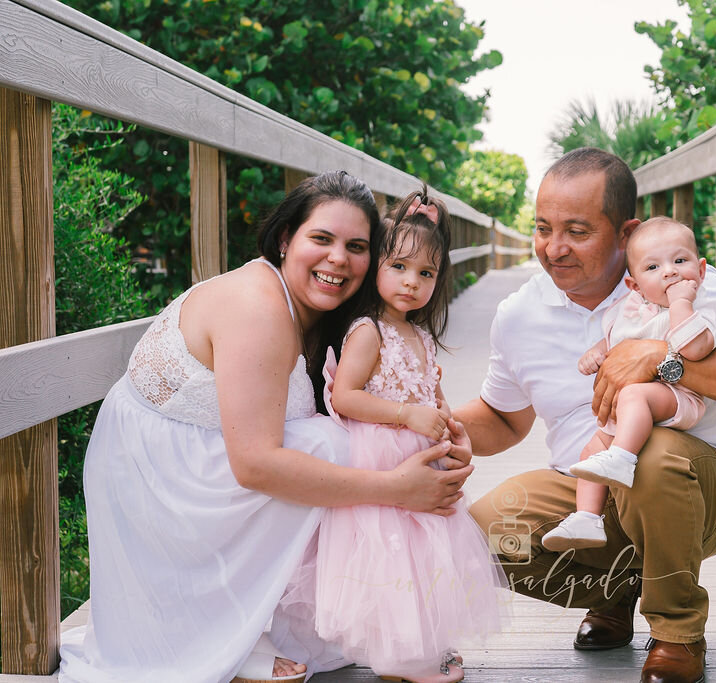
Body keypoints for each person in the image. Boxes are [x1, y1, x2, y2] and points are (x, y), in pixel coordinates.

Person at [58, 171, 474, 683]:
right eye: (321, 239)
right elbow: (255, 464)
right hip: (161, 479)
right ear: (285, 239)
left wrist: (449, 434)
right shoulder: (259, 309)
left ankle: (319, 615)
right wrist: (395, 489)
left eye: (357, 246)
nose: (338, 258)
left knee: (340, 442)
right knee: (332, 446)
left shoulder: (328, 310)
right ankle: (232, 627)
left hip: (200, 456)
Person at [455, 148, 716, 683]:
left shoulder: (680, 281)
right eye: (543, 228)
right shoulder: (518, 315)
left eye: (577, 231)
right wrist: (419, 421)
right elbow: (502, 418)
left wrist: (664, 359)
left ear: (624, 231)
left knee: (652, 452)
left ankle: (677, 633)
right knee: (485, 535)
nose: (554, 248)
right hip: (586, 494)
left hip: (699, 489)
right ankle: (622, 591)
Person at [300, 190, 506, 683]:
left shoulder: (420, 336)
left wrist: (452, 431)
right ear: (376, 268)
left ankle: (425, 641)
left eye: (426, 274)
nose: (411, 283)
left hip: (423, 461)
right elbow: (345, 396)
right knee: (388, 555)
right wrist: (405, 416)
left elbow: (435, 399)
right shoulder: (368, 330)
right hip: (380, 462)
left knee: (424, 557)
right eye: (399, 267)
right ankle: (398, 658)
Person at [541, 217, 716, 552]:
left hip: (679, 398)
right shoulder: (626, 311)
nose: (669, 272)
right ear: (635, 285)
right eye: (653, 267)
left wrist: (682, 303)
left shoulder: (702, 308)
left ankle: (622, 457)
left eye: (680, 261)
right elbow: (614, 341)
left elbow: (696, 348)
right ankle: (587, 518)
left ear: (700, 270)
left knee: (635, 393)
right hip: (631, 409)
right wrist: (596, 353)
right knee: (591, 449)